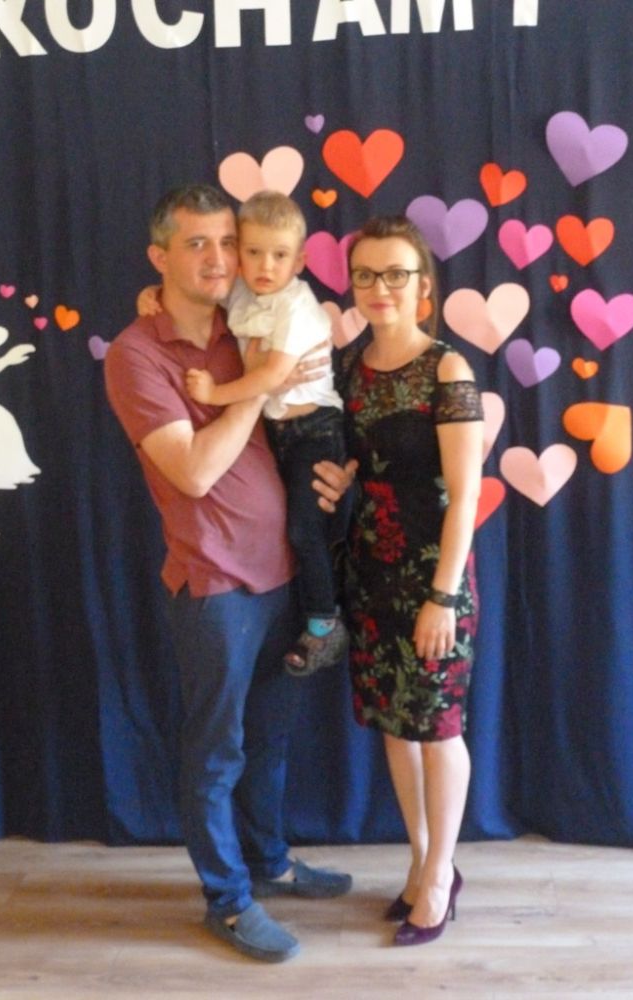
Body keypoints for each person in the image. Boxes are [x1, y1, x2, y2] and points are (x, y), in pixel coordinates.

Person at [104, 183, 351, 964]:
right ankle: (230, 901)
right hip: (215, 585)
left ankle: (269, 862)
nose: (219, 258)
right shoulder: (137, 355)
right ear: (159, 257)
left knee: (269, 742)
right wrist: (263, 385)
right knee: (217, 752)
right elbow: (195, 471)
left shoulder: (245, 319)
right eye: (197, 244)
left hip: (283, 574)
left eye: (226, 242)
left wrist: (332, 468)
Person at [331, 215, 484, 947]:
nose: (380, 287)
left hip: (433, 574)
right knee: (396, 723)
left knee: (438, 725)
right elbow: (349, 455)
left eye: (396, 273)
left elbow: (466, 494)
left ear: (423, 284)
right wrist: (338, 477)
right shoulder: (348, 367)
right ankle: (422, 860)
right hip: (371, 570)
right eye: (365, 274)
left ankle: (443, 875)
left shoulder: (448, 369)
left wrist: (443, 596)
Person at [184, 190, 349, 676]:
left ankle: (325, 623)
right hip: (274, 431)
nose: (265, 265)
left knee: (304, 527)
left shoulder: (295, 304)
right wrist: (150, 294)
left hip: (315, 430)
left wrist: (216, 394)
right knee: (277, 527)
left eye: (279, 255)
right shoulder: (243, 291)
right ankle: (290, 613)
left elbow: (273, 374)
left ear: (299, 261)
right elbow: (206, 297)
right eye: (253, 252)